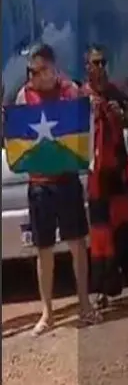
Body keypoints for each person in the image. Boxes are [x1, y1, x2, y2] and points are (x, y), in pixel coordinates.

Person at [13, 44, 101, 336]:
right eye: (31, 71)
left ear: (52, 68)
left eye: (39, 70)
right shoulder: (24, 96)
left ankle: (85, 304)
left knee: (77, 244)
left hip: (66, 180)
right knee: (44, 249)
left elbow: (85, 122)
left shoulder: (70, 92)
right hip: (39, 184)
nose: (34, 76)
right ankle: (47, 312)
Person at [81, 45, 128, 307]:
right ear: (87, 67)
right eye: (95, 63)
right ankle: (103, 291)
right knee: (101, 235)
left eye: (103, 62)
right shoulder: (81, 98)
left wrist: (123, 115)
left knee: (127, 227)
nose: (100, 67)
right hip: (96, 176)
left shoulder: (116, 92)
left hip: (119, 169)